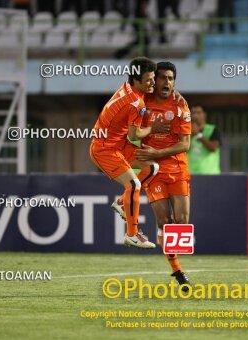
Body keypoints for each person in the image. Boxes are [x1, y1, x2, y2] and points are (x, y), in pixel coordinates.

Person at [112, 62, 192, 290]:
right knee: (164, 221)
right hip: (154, 168)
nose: (167, 83)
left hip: (177, 168)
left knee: (182, 223)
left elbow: (184, 144)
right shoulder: (141, 101)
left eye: (171, 79)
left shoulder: (180, 107)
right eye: (163, 78)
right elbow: (126, 93)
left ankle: (121, 201)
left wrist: (158, 152)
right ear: (153, 81)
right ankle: (177, 271)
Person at [89, 57, 158, 249]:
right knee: (134, 184)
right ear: (136, 80)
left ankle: (121, 203)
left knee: (152, 167)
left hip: (118, 143)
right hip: (104, 149)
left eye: (153, 78)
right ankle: (132, 234)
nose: (153, 82)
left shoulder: (129, 88)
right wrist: (153, 128)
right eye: (149, 79)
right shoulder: (136, 102)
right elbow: (135, 134)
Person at [187, 104, 222, 174]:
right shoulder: (187, 131)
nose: (196, 116)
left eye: (199, 113)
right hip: (191, 174)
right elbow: (184, 149)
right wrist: (190, 135)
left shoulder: (212, 130)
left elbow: (213, 147)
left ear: (204, 114)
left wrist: (198, 135)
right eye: (194, 113)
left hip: (210, 174)